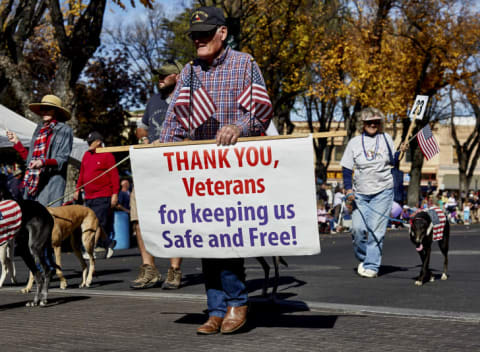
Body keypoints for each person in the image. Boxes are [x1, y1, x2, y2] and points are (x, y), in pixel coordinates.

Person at [159, 6, 272, 335]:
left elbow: (261, 112)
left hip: (236, 168)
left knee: (228, 240)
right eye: (194, 36)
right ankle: (216, 307)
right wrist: (159, 152)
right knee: (207, 241)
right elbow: (174, 120)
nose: (198, 40)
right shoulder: (190, 72)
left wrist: (238, 126)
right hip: (199, 171)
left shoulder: (245, 63)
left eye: (205, 34)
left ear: (222, 33)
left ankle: (237, 301)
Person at [130, 61, 184, 290]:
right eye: (158, 76)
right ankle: (149, 269)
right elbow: (142, 127)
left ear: (177, 76)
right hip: (148, 165)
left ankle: (174, 270)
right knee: (138, 217)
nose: (159, 80)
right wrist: (143, 138)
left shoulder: (188, 99)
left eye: (164, 76)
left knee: (175, 217)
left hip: (176, 166)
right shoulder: (153, 100)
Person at [341, 107, 407, 278]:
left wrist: (401, 151)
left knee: (376, 231)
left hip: (383, 192)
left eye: (376, 122)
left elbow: (393, 161)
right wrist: (348, 189)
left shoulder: (386, 138)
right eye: (369, 122)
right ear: (362, 124)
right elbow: (347, 168)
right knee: (357, 229)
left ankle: (372, 266)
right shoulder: (354, 143)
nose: (373, 125)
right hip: (360, 194)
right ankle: (364, 258)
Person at [6, 94, 73, 207]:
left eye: (48, 109)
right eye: (42, 109)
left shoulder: (65, 130)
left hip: (51, 183)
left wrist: (43, 162)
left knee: (50, 219)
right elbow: (30, 160)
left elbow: (62, 159)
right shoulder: (39, 130)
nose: (44, 111)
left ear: (56, 111)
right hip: (33, 181)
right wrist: (17, 143)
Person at [74, 131, 119, 259]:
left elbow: (114, 176)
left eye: (91, 141)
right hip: (89, 196)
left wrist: (115, 194)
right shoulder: (86, 155)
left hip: (103, 195)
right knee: (95, 223)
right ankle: (108, 242)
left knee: (95, 222)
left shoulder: (108, 155)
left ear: (98, 142)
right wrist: (78, 189)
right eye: (88, 141)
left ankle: (90, 250)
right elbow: (82, 173)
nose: (88, 144)